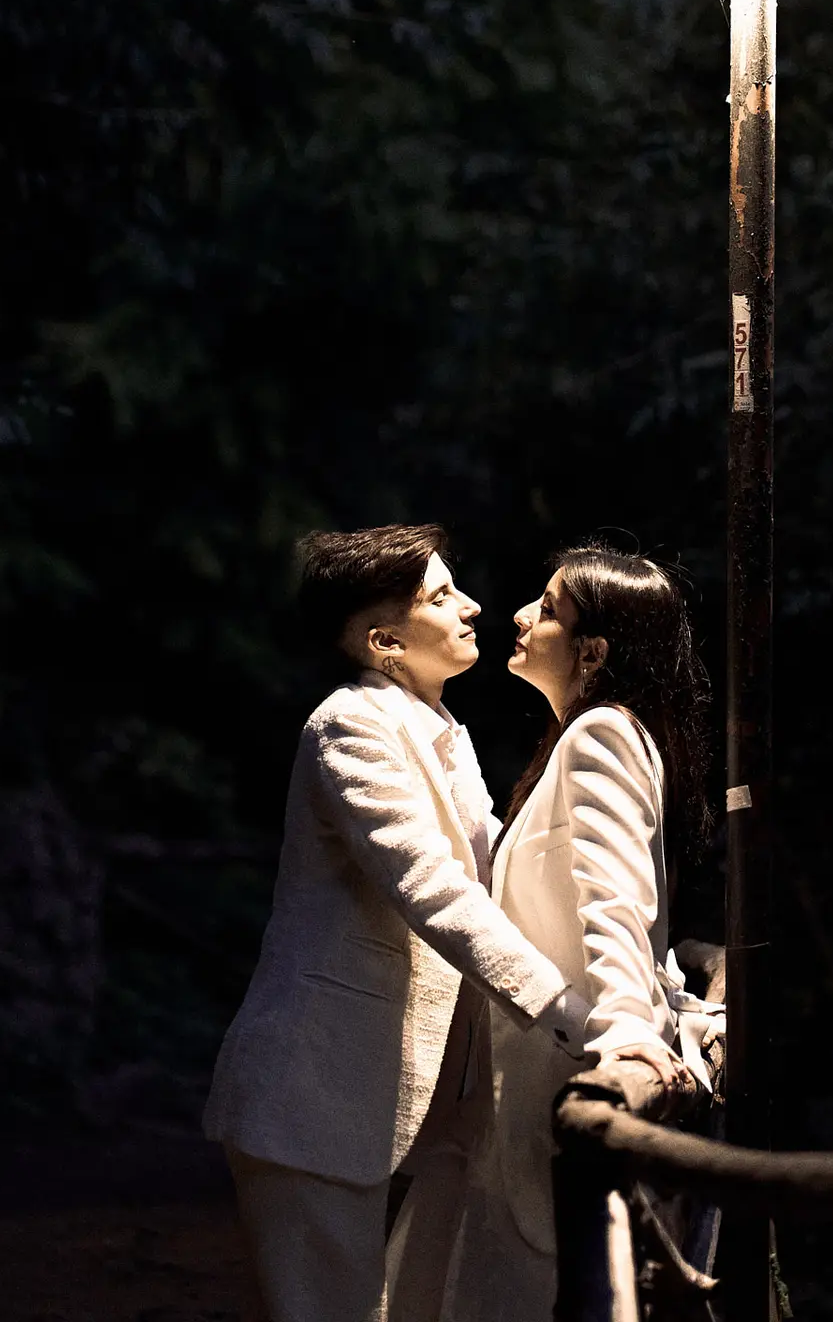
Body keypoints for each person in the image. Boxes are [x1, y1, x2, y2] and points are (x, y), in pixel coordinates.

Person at [202, 523, 591, 1322]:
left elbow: (499, 885)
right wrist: (566, 1014)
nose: (473, 606)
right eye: (442, 595)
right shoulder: (351, 725)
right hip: (313, 1086)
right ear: (383, 639)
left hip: (406, 1097)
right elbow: (435, 889)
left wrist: (648, 996)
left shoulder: (438, 727)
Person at [441, 543, 713, 1322]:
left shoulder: (602, 734)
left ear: (591, 650)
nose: (521, 617)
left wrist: (629, 1032)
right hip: (527, 1083)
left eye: (549, 609)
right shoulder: (583, 738)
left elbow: (615, 898)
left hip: (559, 1080)